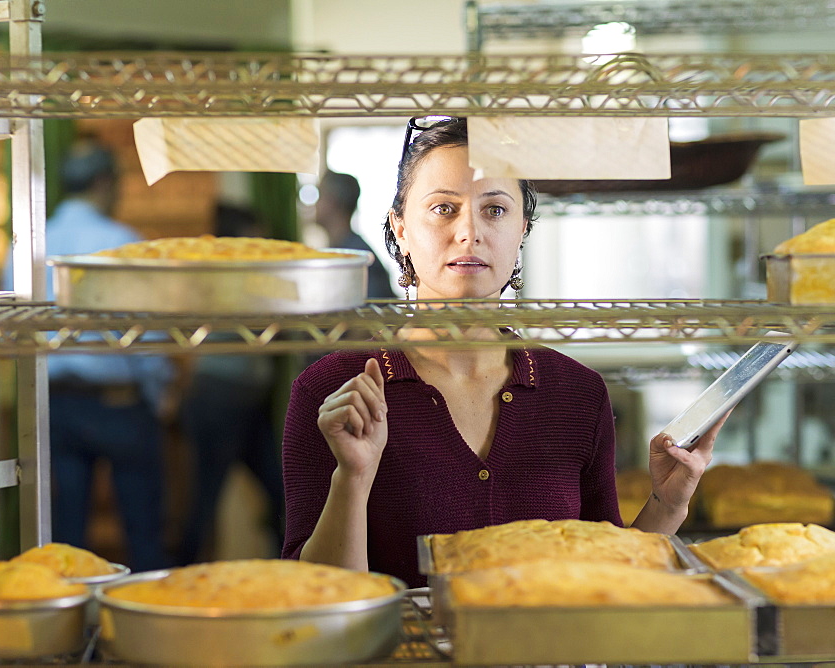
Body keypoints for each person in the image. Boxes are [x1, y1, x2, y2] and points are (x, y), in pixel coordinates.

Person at [280, 117, 727, 588]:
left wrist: (667, 505)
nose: (469, 231)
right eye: (443, 208)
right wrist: (352, 476)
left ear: (522, 231)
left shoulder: (577, 394)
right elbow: (315, 596)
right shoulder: (333, 391)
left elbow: (607, 576)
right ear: (401, 229)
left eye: (494, 210)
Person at [4, 139, 174, 572]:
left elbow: (12, 331)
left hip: (54, 404)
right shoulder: (121, 243)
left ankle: (68, 632)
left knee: (64, 536)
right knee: (143, 529)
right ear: (103, 183)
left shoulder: (28, 247)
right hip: (119, 403)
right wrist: (159, 394)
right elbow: (145, 336)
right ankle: (145, 630)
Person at [176, 204, 284, 565]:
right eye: (256, 235)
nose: (263, 243)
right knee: (206, 499)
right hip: (221, 400)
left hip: (239, 401)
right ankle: (182, 577)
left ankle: (284, 564)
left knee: (280, 493)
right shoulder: (233, 277)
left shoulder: (233, 276)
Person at [315, 171, 397, 299]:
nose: (314, 204)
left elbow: (372, 314)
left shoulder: (357, 259)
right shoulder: (341, 250)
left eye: (319, 196)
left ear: (332, 201)